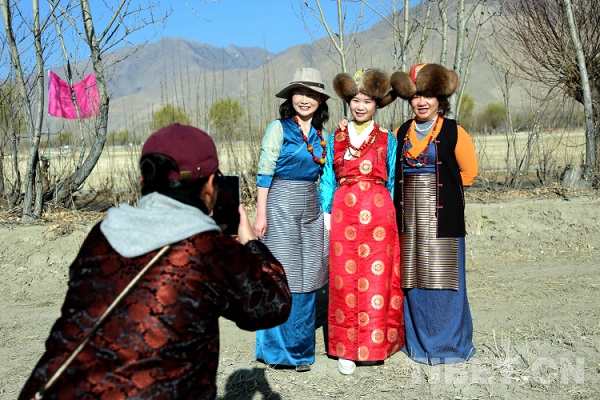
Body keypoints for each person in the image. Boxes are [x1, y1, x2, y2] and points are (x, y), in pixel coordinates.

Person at [18, 124, 292, 400]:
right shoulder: (208, 248)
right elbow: (274, 305)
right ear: (210, 186)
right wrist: (251, 244)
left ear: (142, 181)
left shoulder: (101, 234)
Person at [390, 63, 478, 365]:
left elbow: (469, 173)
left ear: (440, 98)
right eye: (416, 96)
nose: (421, 102)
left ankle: (449, 346)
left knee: (444, 281)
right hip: (409, 220)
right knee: (413, 280)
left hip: (442, 219)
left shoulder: (455, 131)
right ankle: (417, 345)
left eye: (428, 95)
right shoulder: (400, 132)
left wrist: (439, 191)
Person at [319, 69, 404, 375]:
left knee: (377, 281)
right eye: (356, 100)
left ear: (376, 104)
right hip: (343, 217)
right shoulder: (335, 138)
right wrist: (327, 214)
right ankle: (346, 349)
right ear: (348, 102)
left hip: (380, 218)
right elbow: (328, 179)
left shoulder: (387, 139)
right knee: (343, 282)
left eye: (367, 101)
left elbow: (391, 181)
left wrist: (391, 219)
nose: (360, 106)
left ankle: (374, 344)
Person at [253, 67, 334, 372]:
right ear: (291, 97)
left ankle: (301, 351)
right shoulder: (279, 128)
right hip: (280, 205)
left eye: (312, 94)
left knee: (309, 276)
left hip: (311, 209)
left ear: (320, 101)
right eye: (300, 93)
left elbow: (327, 176)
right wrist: (261, 213)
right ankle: (276, 351)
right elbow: (265, 171)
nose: (305, 99)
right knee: (281, 275)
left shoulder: (323, 136)